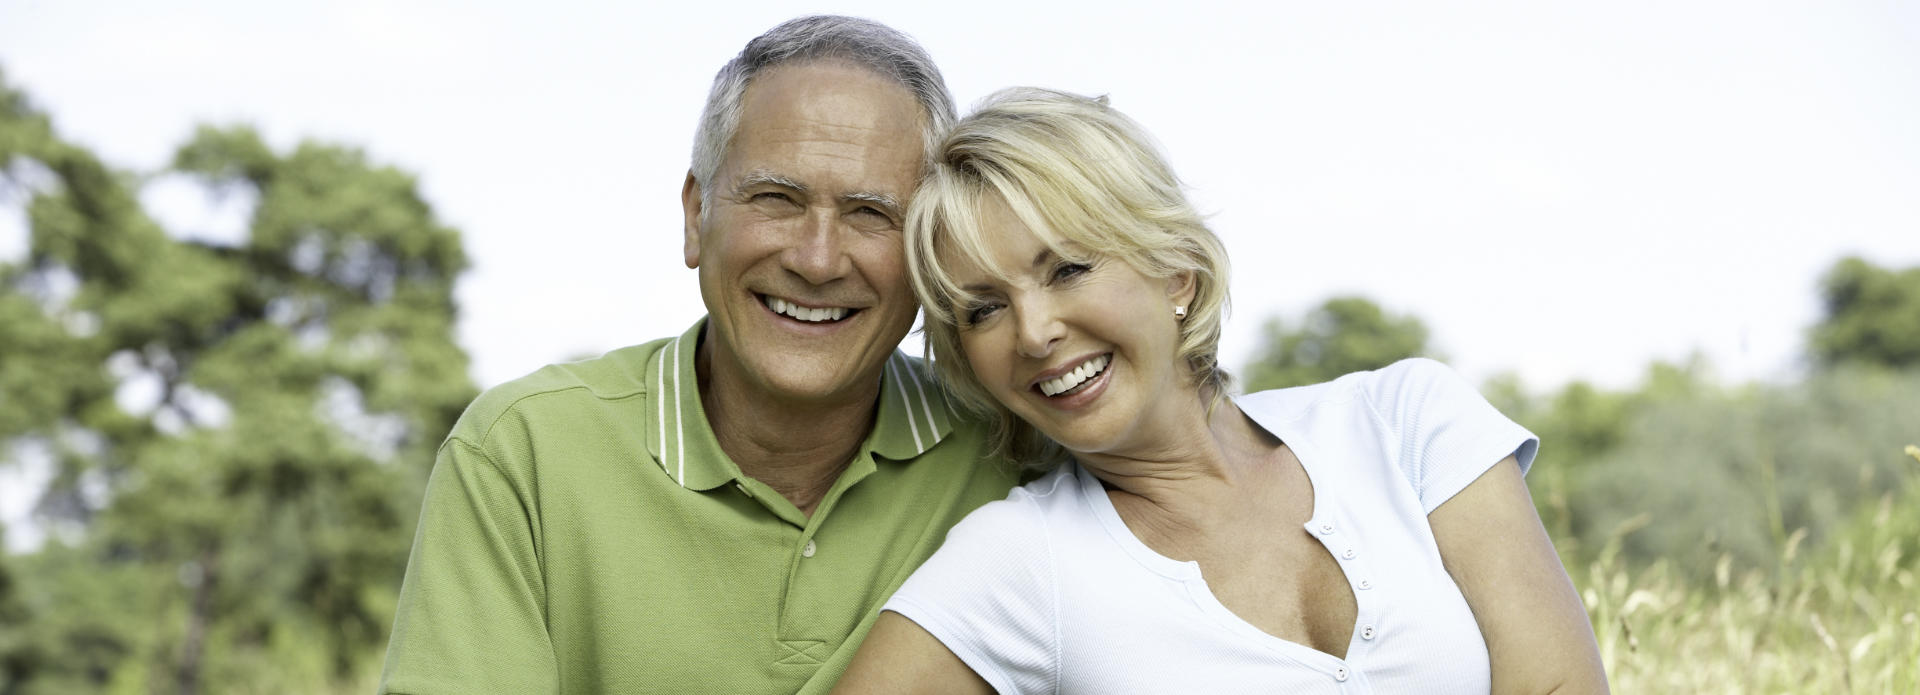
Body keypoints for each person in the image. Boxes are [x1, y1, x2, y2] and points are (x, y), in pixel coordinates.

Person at [834, 88, 1610, 694]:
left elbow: (1554, 680)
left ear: (1176, 268)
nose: (1033, 331)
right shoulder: (1017, 561)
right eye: (984, 308)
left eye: (1067, 268)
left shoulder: (1406, 419)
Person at [379, 16, 1019, 694]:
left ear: (929, 247)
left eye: (870, 213)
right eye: (777, 199)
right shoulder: (521, 452)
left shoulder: (1013, 449)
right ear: (696, 216)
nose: (817, 258)